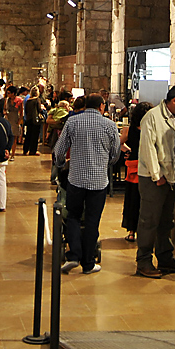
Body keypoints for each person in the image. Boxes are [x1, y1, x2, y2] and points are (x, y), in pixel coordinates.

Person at [52, 93, 120, 275]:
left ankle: (73, 255)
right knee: (92, 220)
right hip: (98, 182)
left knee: (73, 216)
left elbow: (59, 150)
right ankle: (88, 263)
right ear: (101, 107)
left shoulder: (73, 122)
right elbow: (115, 154)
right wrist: (106, 163)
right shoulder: (109, 125)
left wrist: (60, 165)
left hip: (76, 179)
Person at [135, 84, 175, 279]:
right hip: (154, 178)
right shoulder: (152, 117)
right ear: (174, 100)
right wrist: (156, 175)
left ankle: (165, 257)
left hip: (171, 177)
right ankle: (143, 260)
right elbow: (148, 148)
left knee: (166, 221)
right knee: (149, 220)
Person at [120, 101, 152, 243]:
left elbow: (118, 143)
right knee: (145, 201)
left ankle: (131, 232)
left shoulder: (129, 129)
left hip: (133, 167)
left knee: (132, 200)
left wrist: (128, 151)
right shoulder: (151, 129)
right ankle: (145, 233)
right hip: (147, 167)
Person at [22, 86, 44, 156]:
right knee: (35, 136)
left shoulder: (28, 100)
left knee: (28, 135)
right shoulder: (37, 100)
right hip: (35, 120)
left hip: (29, 119)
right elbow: (39, 109)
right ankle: (32, 151)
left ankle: (25, 150)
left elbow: (26, 110)